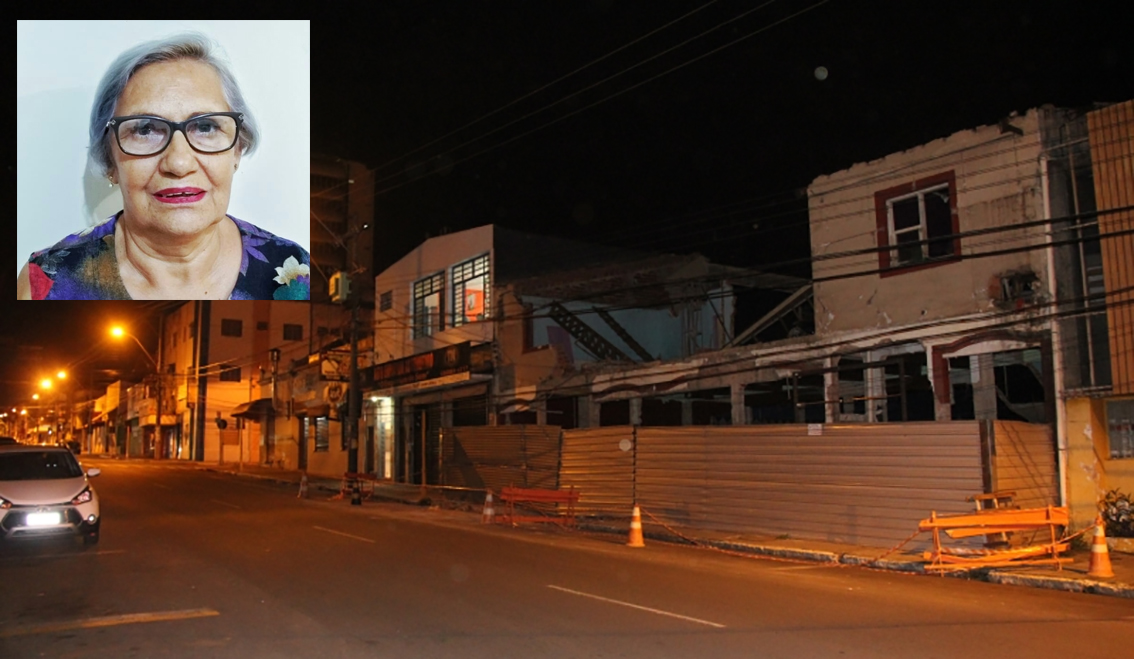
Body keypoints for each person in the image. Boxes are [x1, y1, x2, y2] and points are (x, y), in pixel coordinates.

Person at [16, 33, 309, 300]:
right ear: (109, 161)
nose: (179, 163)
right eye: (145, 130)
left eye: (205, 127)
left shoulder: (295, 271)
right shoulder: (45, 283)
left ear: (237, 150)